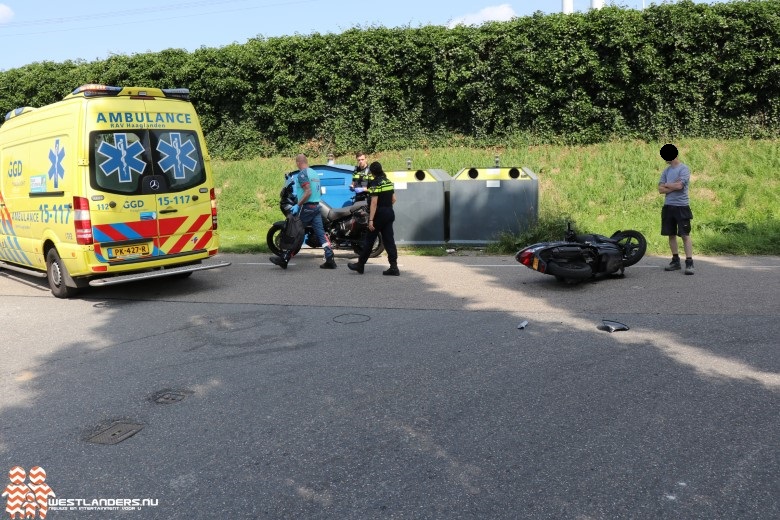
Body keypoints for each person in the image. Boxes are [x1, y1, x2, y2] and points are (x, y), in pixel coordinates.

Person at [270, 154, 337, 270]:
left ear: (298, 163)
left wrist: (298, 204)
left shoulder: (302, 174)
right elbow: (318, 192)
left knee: (296, 232)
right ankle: (330, 258)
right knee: (321, 234)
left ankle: (284, 258)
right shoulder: (314, 173)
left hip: (306, 208)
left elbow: (308, 192)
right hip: (316, 207)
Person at [348, 161, 399, 276]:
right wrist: (386, 206)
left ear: (372, 172)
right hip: (389, 213)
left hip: (379, 215)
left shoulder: (375, 184)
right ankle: (394, 266)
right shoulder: (388, 182)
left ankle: (360, 265)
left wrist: (371, 220)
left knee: (369, 241)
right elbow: (394, 199)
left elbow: (374, 204)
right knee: (389, 241)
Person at [658, 144, 694, 275]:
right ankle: (675, 261)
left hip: (682, 207)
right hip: (668, 206)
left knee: (685, 235)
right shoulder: (666, 171)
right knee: (671, 234)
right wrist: (671, 185)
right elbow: (660, 189)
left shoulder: (684, 169)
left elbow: (680, 186)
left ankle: (689, 263)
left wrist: (667, 185)